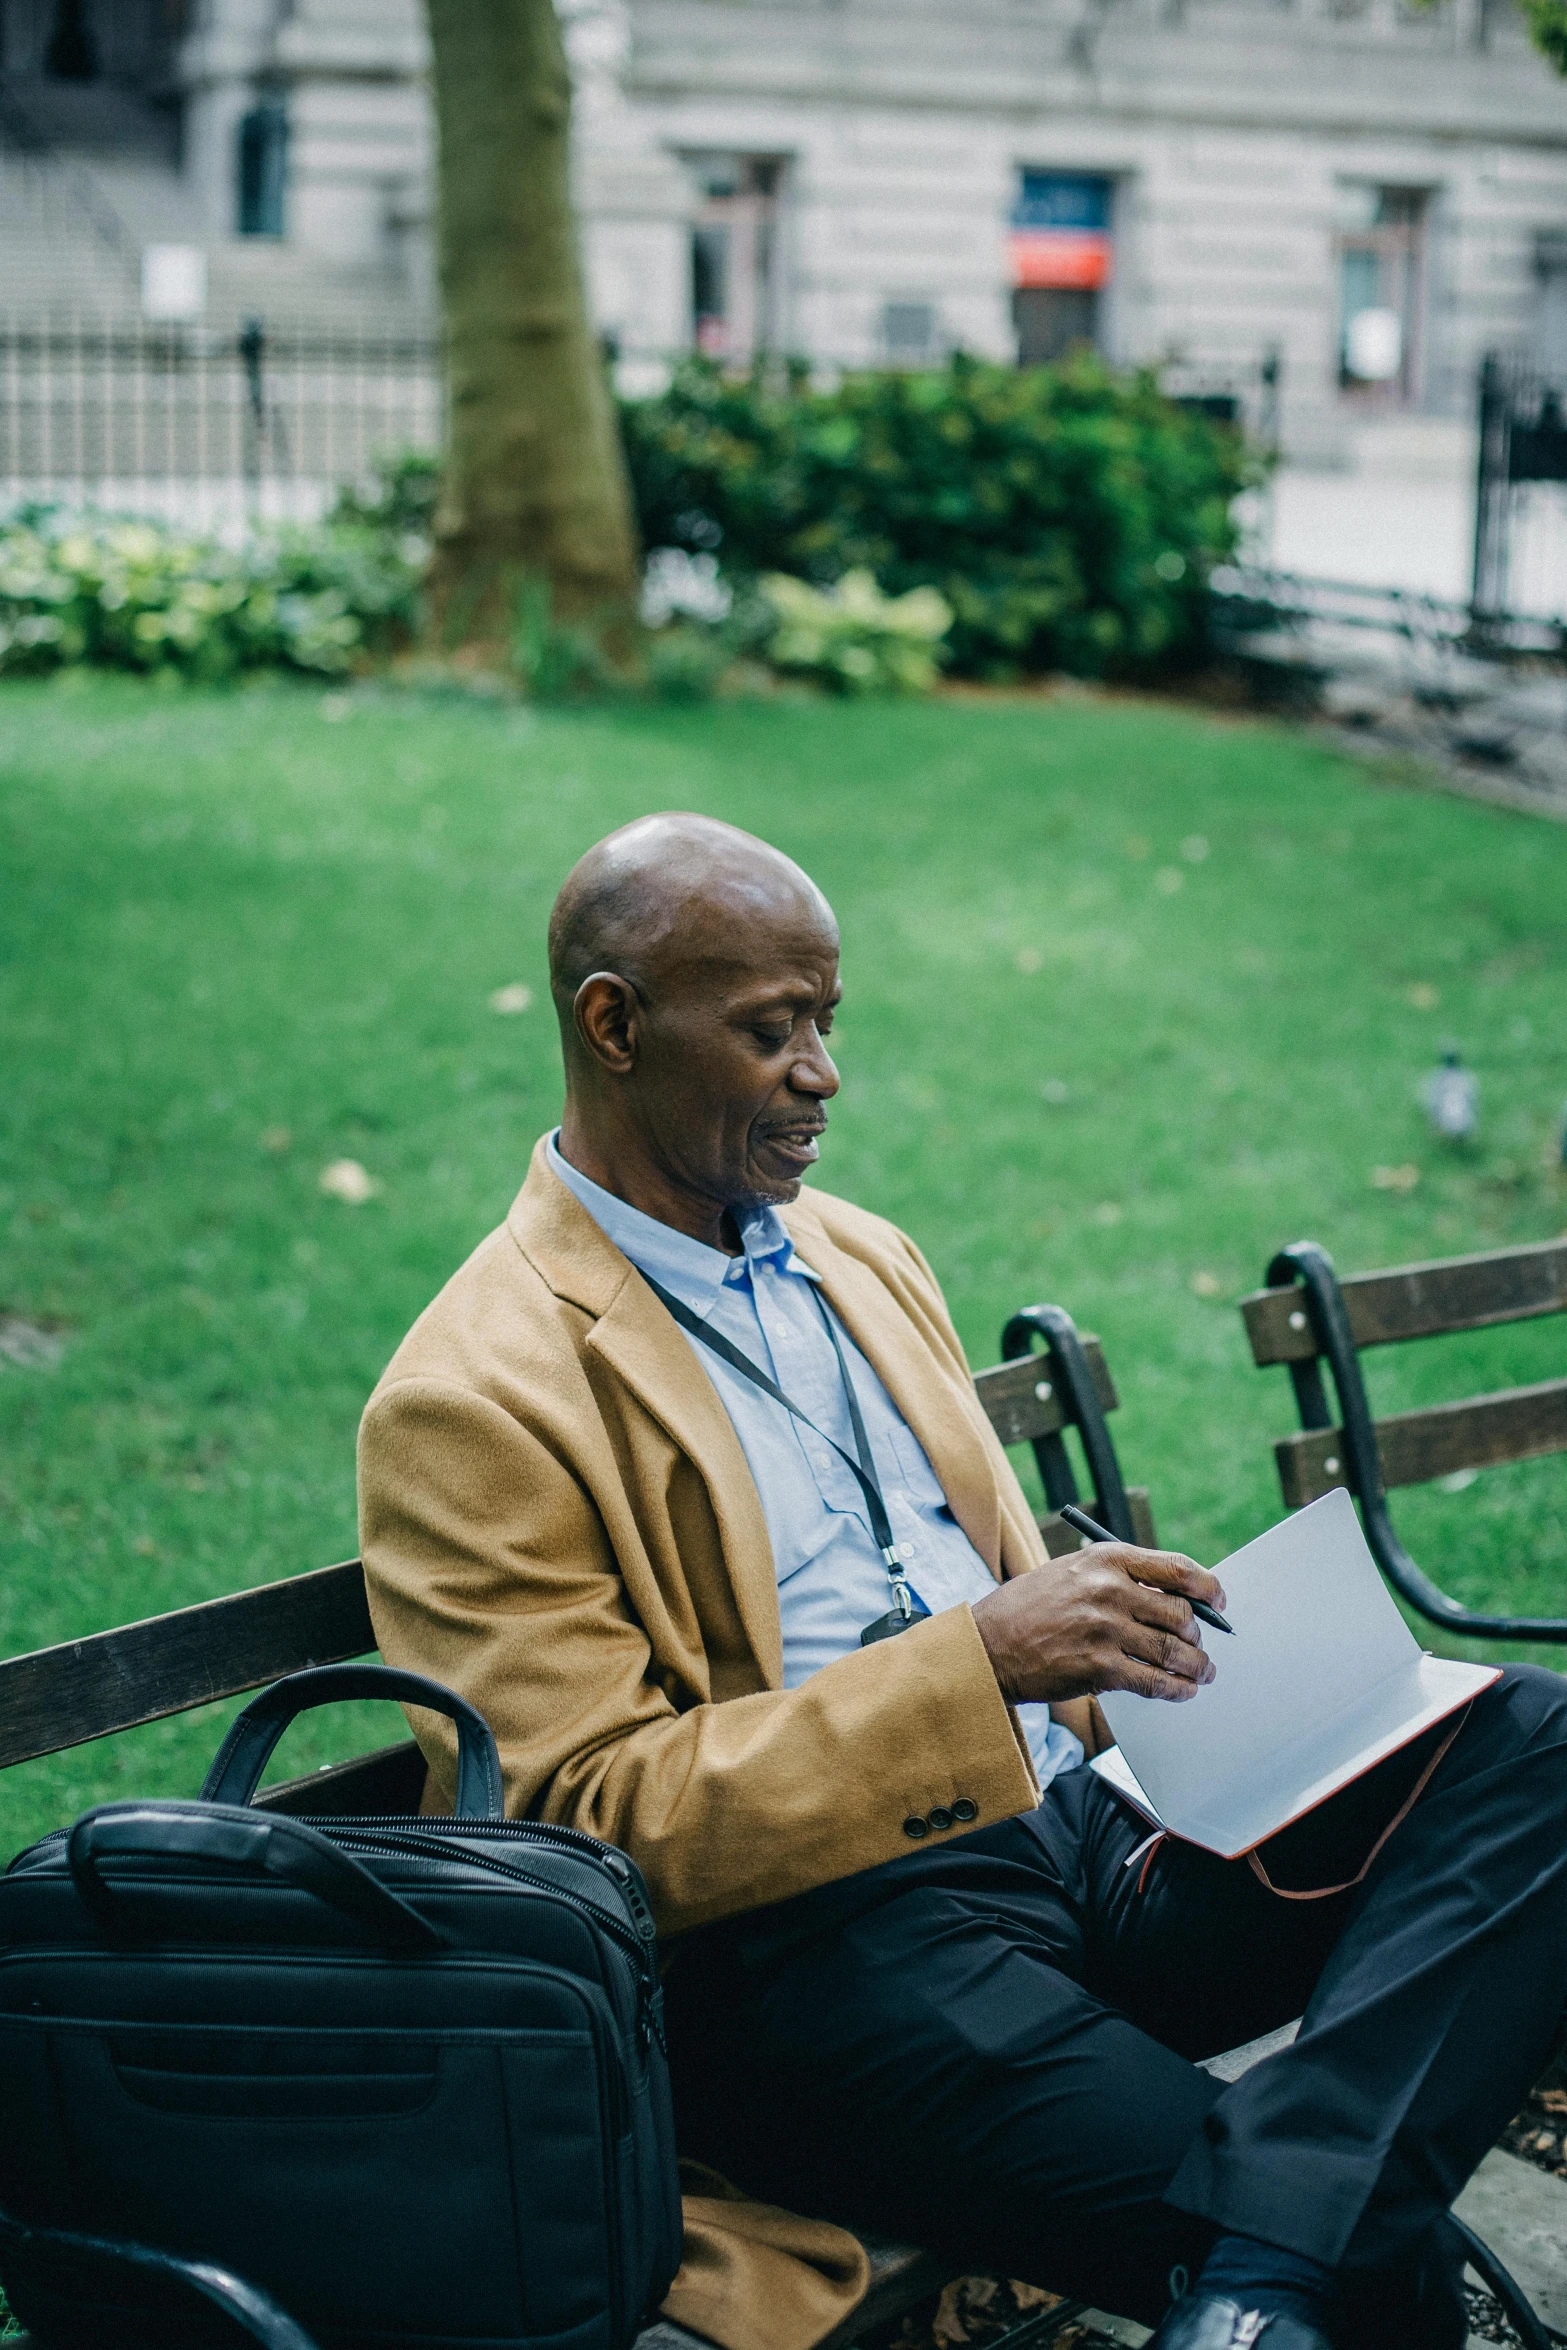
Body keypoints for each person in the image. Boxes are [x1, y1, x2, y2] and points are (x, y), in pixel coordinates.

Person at [359, 814, 1567, 2350]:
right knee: (1380, 2279)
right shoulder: (476, 1394)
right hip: (817, 1952)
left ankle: (1260, 2272)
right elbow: (571, 1827)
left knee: (1528, 1736)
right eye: (769, 1030)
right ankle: (1291, 2257)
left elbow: (970, 1572)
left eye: (827, 1021)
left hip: (1078, 1835)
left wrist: (1115, 1631)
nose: (822, 1073)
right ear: (613, 1025)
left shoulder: (856, 1254)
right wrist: (975, 1662)